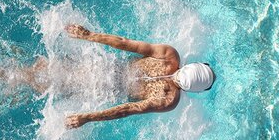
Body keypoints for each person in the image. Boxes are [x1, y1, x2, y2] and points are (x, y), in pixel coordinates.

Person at [13, 25, 216, 128]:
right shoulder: (169, 100)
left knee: (43, 69)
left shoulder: (169, 56)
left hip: (101, 67)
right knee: (40, 86)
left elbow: (126, 43)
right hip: (103, 90)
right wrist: (87, 117)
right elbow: (128, 109)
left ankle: (4, 70)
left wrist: (89, 35)